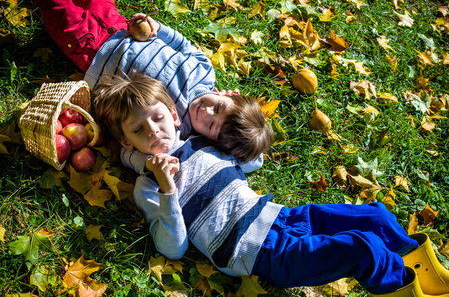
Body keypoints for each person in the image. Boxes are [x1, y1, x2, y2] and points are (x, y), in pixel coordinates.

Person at [93, 73, 449, 297]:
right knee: (362, 248)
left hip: (283, 217)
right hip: (259, 253)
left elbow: (252, 160)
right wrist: (168, 188)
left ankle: (424, 275)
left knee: (375, 216)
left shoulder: (200, 141)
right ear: (127, 143)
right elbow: (172, 248)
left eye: (157, 119)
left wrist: (232, 109)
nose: (153, 131)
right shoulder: (149, 187)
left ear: (173, 115)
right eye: (138, 130)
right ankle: (402, 290)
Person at [33, 0, 272, 167]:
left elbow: (247, 162)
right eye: (218, 107)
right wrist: (159, 28)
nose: (206, 112)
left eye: (210, 125)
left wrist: (250, 150)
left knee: (59, 8)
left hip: (95, 51)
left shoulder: (178, 127)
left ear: (209, 140)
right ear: (227, 95)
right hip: (124, 28)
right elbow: (184, 46)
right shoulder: (204, 72)